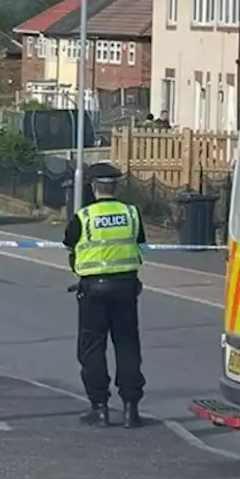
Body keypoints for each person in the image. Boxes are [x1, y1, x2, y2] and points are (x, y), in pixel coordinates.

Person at [63, 162, 146, 429]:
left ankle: (99, 407)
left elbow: (69, 242)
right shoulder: (132, 214)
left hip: (93, 289)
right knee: (127, 345)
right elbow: (138, 241)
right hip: (126, 287)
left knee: (92, 347)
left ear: (92, 187)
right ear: (116, 186)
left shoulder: (83, 217)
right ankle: (131, 408)